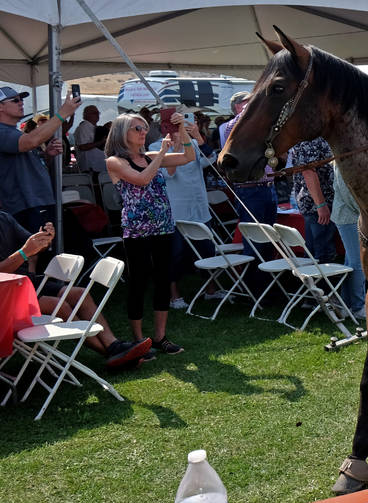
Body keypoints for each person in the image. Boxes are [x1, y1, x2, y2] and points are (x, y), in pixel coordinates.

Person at [0, 212, 151, 369]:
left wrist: (43, 239)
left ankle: (114, 345)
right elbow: (19, 256)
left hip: (23, 283)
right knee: (59, 306)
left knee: (79, 294)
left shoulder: (4, 217)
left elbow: (32, 248)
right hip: (5, 295)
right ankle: (114, 354)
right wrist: (24, 252)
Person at [106, 112, 196, 356]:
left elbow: (189, 156)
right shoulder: (115, 161)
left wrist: (182, 130)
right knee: (138, 282)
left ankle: (160, 337)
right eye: (137, 128)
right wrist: (163, 154)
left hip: (163, 226)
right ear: (122, 133)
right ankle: (139, 340)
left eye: (144, 128)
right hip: (137, 232)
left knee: (163, 281)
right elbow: (142, 179)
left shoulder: (152, 156)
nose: (143, 132)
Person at [149, 114, 217, 309]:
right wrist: (176, 148)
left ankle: (210, 290)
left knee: (206, 249)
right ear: (162, 127)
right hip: (175, 209)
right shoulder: (155, 148)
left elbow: (210, 160)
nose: (173, 130)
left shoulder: (193, 143)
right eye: (169, 126)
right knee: (174, 255)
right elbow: (169, 175)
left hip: (198, 206)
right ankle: (173, 295)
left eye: (177, 126)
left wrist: (197, 135)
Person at [0, 85, 80, 238]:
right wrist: (62, 114)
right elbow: (31, 141)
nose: (21, 103)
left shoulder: (13, 133)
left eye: (22, 99)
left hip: (37, 202)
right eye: (15, 100)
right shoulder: (3, 132)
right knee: (35, 254)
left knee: (47, 252)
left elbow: (26, 159)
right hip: (26, 206)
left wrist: (46, 155)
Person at [220, 91, 278, 269]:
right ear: (238, 107)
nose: (254, 104)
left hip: (267, 187)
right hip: (250, 189)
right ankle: (255, 289)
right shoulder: (230, 126)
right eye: (248, 102)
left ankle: (268, 284)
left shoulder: (255, 124)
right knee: (255, 242)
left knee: (269, 240)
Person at [288, 137, 337, 263]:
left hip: (320, 203)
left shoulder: (314, 137)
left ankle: (316, 281)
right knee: (321, 255)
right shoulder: (308, 139)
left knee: (318, 252)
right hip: (317, 205)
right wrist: (321, 205)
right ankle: (320, 283)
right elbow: (308, 173)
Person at [331, 163, 366, 320]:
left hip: (348, 215)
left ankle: (345, 304)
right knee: (357, 262)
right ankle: (358, 307)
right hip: (348, 217)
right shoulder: (341, 164)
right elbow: (346, 193)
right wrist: (364, 211)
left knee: (350, 262)